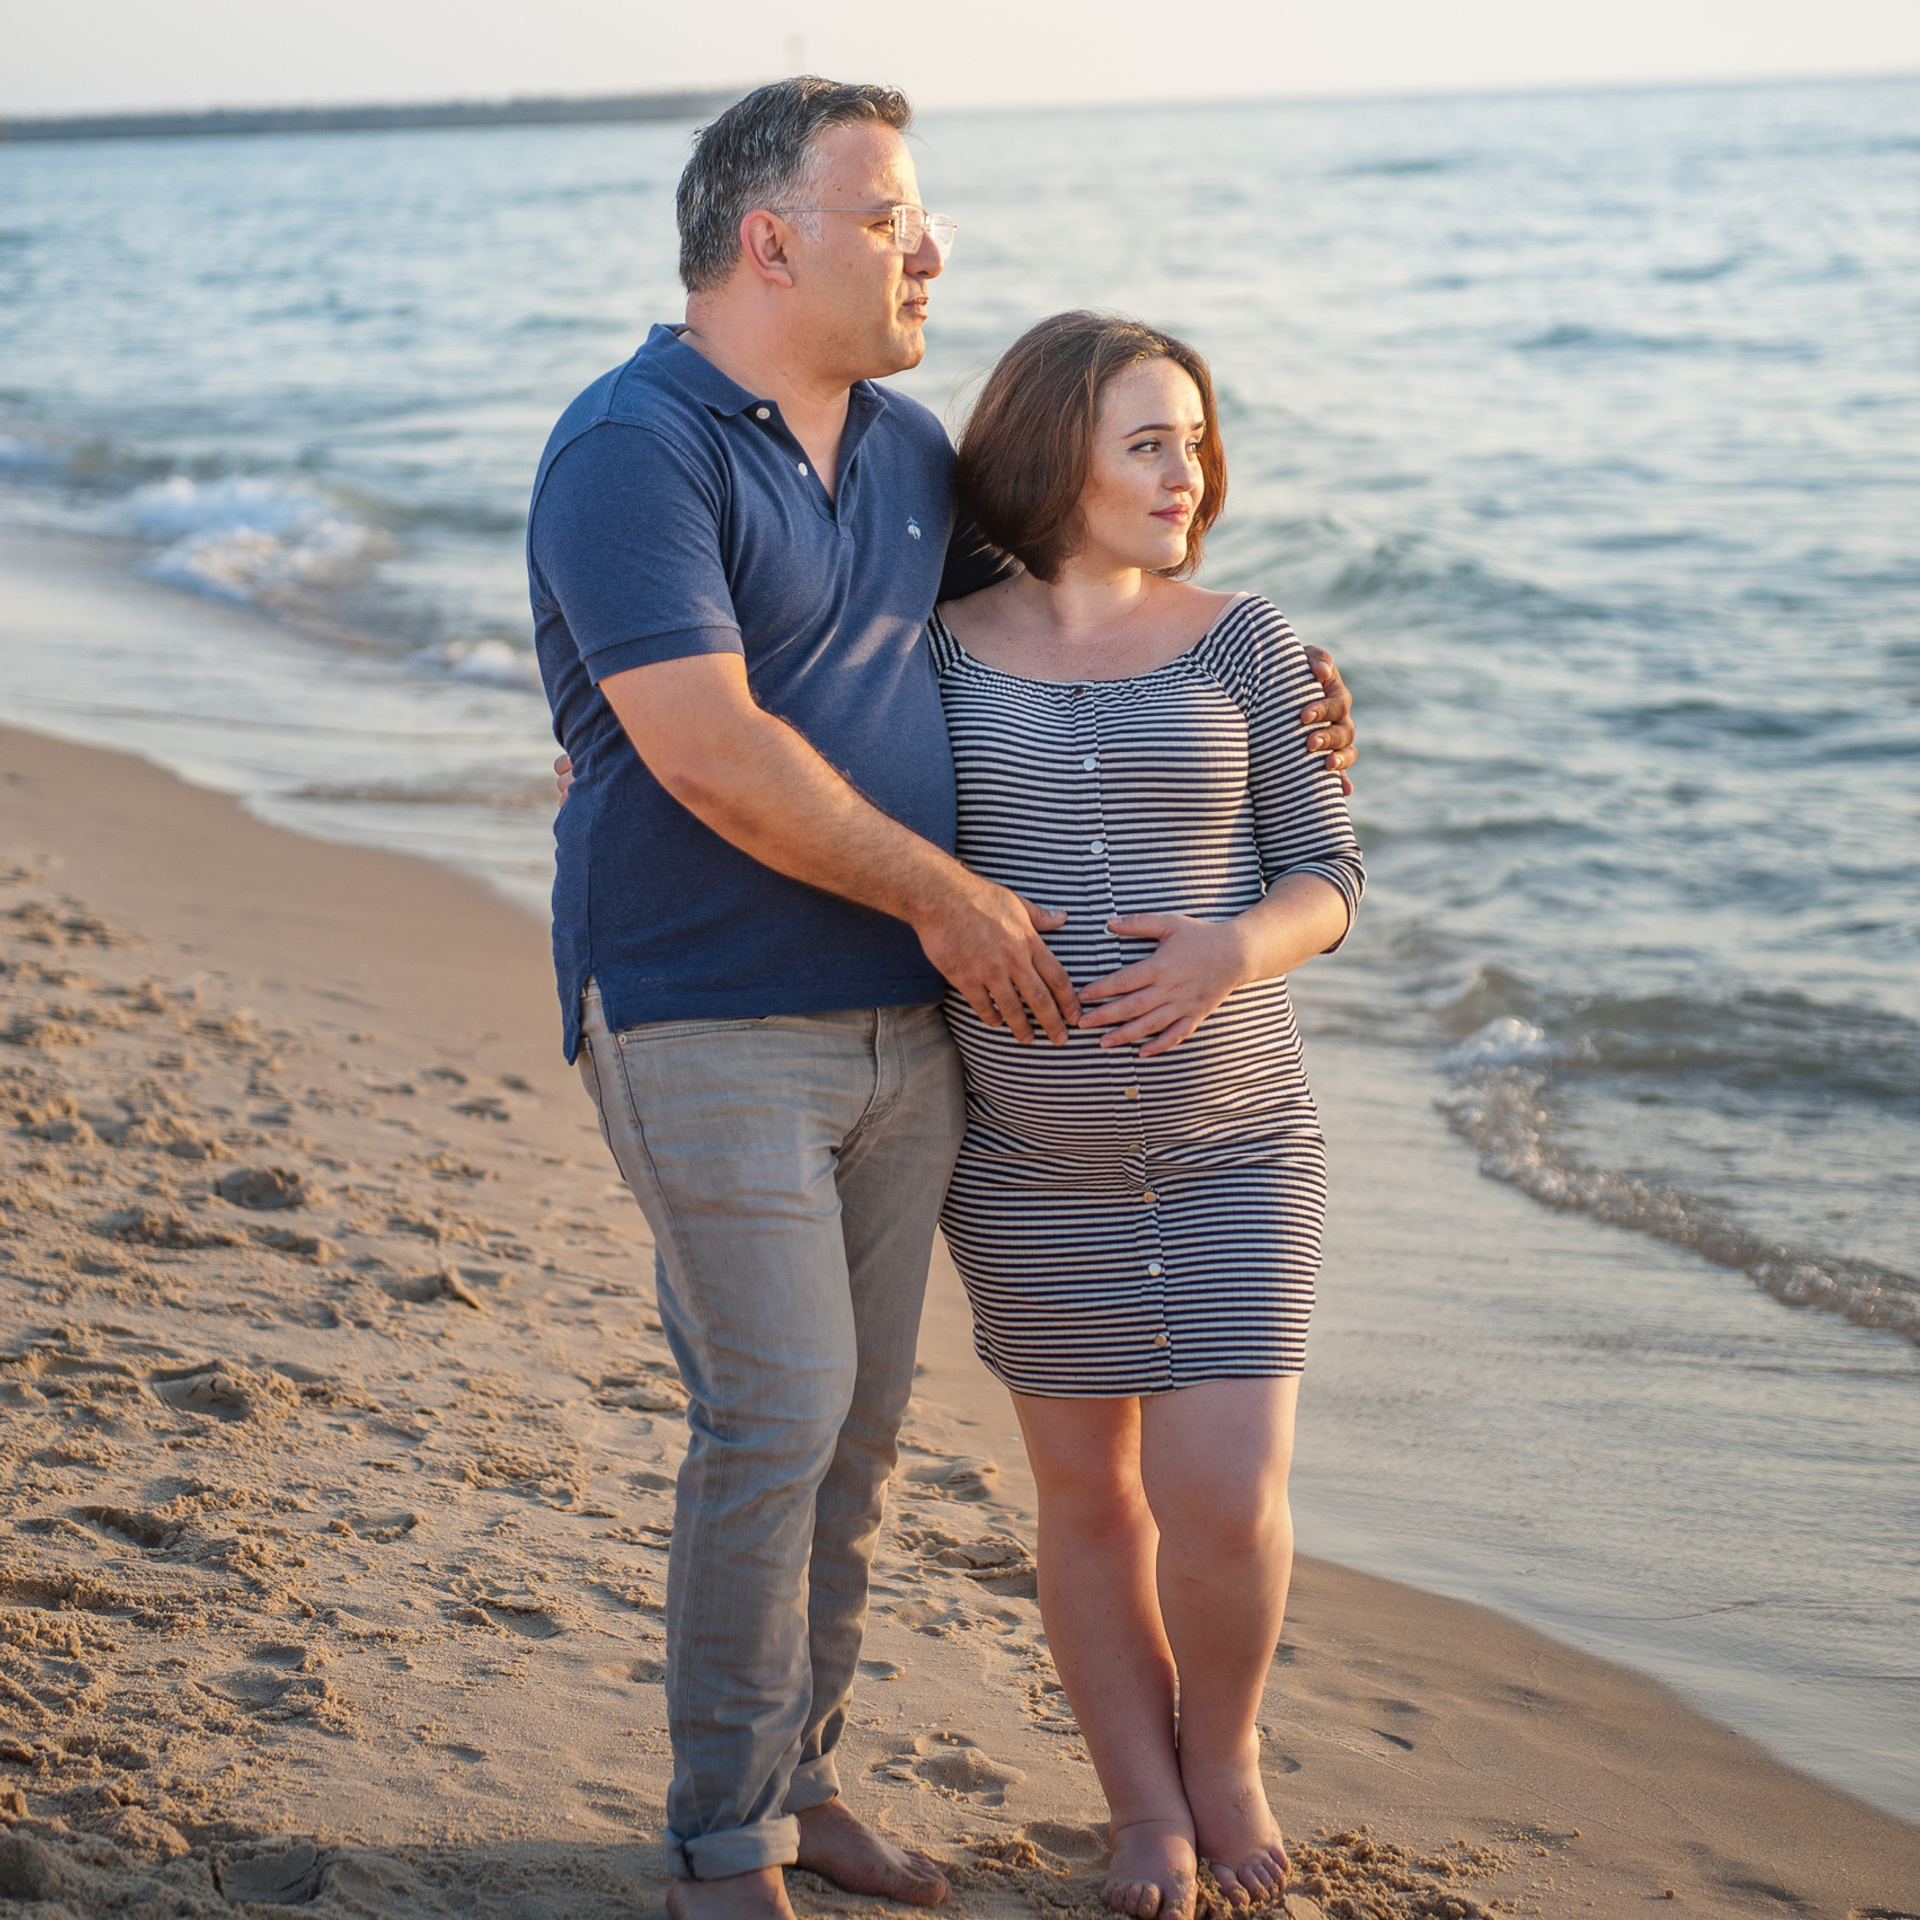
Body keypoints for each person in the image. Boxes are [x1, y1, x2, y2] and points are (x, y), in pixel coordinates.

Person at [529, 78, 1356, 1920]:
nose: (932, 250)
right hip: (705, 1009)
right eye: (895, 216)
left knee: (863, 1432)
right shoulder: (630, 448)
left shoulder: (904, 457)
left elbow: (1094, 599)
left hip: (915, 1039)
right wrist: (961, 900)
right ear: (771, 239)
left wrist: (1289, 678)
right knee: (778, 1411)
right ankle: (720, 1839)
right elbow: (711, 750)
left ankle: (798, 1779)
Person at [930, 312, 1361, 1918]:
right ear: (1058, 454)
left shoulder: (1251, 642)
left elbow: (1331, 876)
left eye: (1195, 437)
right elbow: (808, 783)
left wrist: (1226, 950)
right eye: (1149, 441)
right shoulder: (930, 645)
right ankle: (1141, 1810)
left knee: (1227, 1493)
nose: (1190, 471)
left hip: (1241, 1139)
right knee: (1086, 1499)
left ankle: (1226, 1756)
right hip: (1027, 1162)